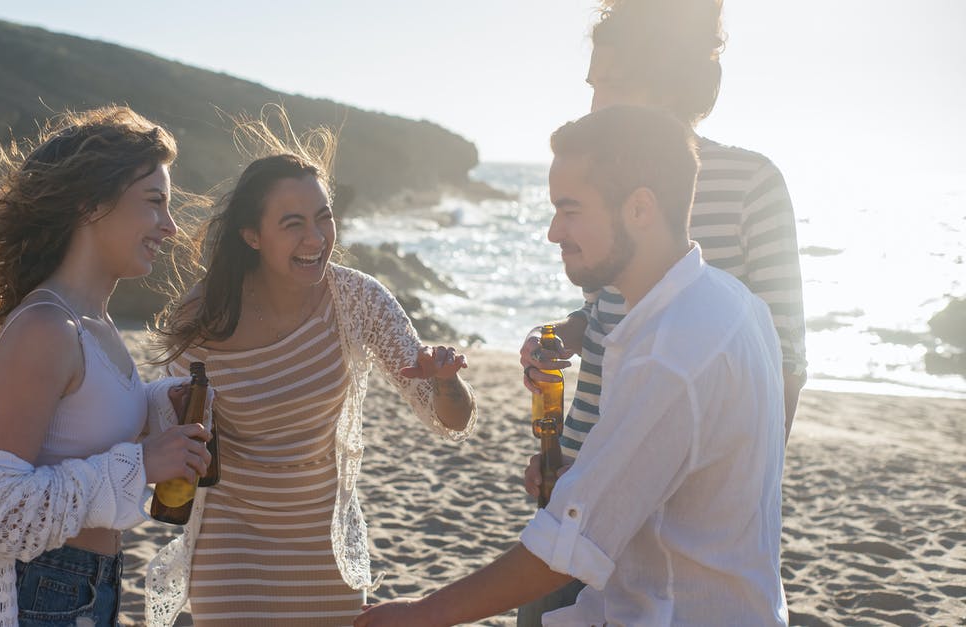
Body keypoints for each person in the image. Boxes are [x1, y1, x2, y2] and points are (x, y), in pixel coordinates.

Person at [355, 105, 788, 626]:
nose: (553, 232)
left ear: (640, 209)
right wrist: (588, 474)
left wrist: (419, 614)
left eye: (571, 209)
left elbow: (567, 547)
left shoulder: (672, 352)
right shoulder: (732, 303)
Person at [517, 1, 807, 621]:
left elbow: (779, 358)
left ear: (668, 83)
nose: (595, 105)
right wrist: (562, 335)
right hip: (581, 477)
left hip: (682, 507)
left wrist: (735, 508)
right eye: (592, 86)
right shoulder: (601, 175)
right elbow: (609, 313)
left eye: (613, 87)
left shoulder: (750, 182)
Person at [144, 107, 478, 626]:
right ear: (253, 236)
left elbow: (448, 419)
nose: (316, 238)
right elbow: (170, 427)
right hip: (232, 541)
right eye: (293, 223)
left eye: (323, 217)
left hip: (323, 541)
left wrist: (446, 381)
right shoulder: (205, 315)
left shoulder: (356, 299)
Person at [0, 106, 211, 626]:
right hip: (41, 594)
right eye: (154, 203)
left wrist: (154, 406)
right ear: (90, 205)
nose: (169, 227)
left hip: (87, 590)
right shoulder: (45, 328)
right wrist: (142, 465)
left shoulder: (95, 325)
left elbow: (81, 426)